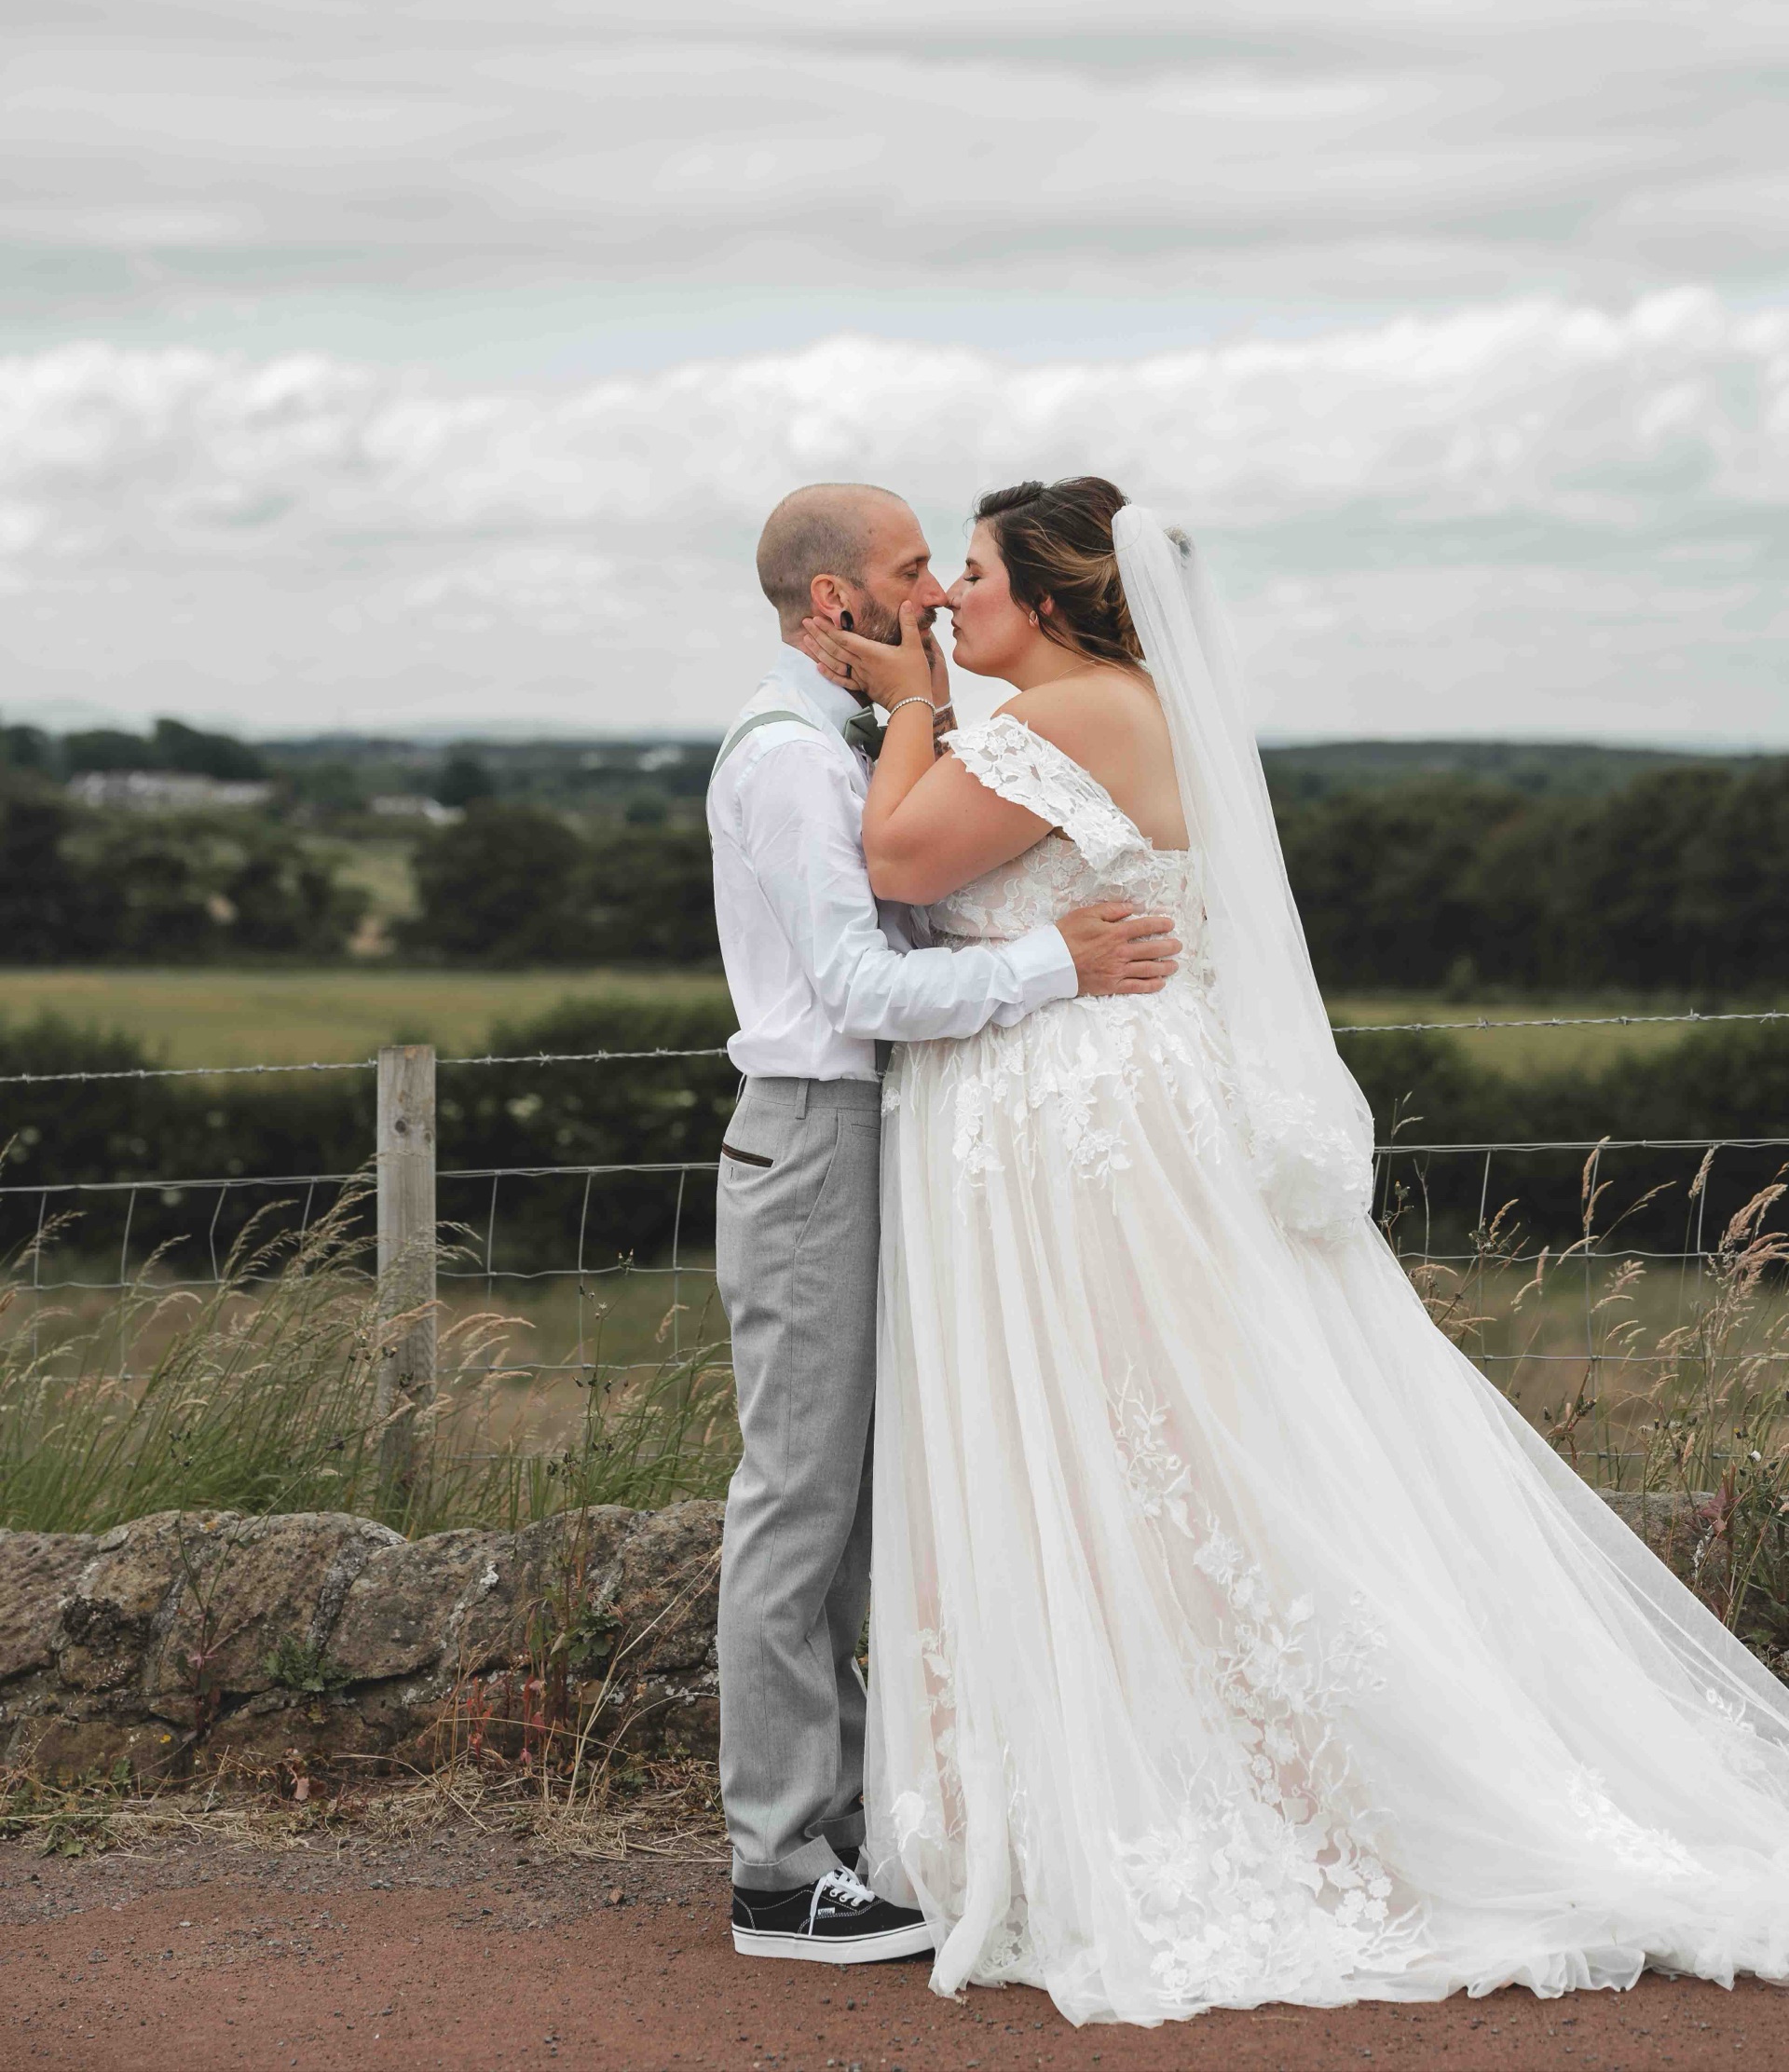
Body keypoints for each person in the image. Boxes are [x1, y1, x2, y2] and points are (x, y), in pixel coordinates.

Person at [801, 474, 1789, 2024]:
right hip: (1076, 1115)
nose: (945, 598)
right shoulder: (1097, 707)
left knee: (1154, 1454)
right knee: (1136, 1453)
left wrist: (914, 700)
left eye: (971, 573)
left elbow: (903, 864)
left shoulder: (1073, 712)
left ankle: (1230, 1791)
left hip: (1090, 1133)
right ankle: (1132, 1764)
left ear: (1046, 600)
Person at [707, 482, 1181, 1965]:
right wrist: (1052, 963)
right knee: (799, 1498)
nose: (929, 595)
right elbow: (860, 985)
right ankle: (779, 1865)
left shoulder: (873, 734)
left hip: (895, 1135)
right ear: (833, 601)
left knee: (860, 1505)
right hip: (817, 1134)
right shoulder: (794, 758)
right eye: (914, 569)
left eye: (949, 569)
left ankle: (850, 1823)